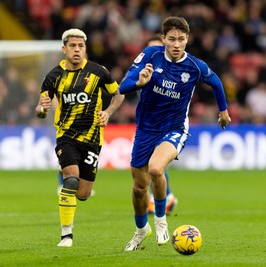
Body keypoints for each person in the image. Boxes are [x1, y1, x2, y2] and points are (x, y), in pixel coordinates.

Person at [119, 16, 231, 251]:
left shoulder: (195, 66)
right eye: (172, 39)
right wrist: (139, 82)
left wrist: (223, 111)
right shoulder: (151, 56)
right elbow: (124, 85)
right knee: (139, 188)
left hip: (174, 129)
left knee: (156, 169)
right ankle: (141, 230)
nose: (177, 44)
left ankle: (160, 220)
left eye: (181, 39)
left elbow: (217, 82)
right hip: (146, 129)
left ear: (187, 40)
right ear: (163, 39)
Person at [35, 28, 124, 248]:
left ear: (85, 48)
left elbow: (118, 94)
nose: (77, 50)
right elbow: (40, 109)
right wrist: (42, 109)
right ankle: (66, 235)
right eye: (73, 46)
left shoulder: (98, 72)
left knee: (83, 194)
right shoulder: (53, 77)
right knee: (71, 179)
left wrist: (108, 112)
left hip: (93, 138)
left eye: (81, 46)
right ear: (64, 49)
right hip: (66, 135)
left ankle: (66, 171)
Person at [145, 34, 178, 215]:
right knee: (149, 163)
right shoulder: (145, 67)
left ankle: (162, 198)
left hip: (168, 123)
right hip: (148, 120)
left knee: (154, 163)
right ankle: (167, 195)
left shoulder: (175, 70)